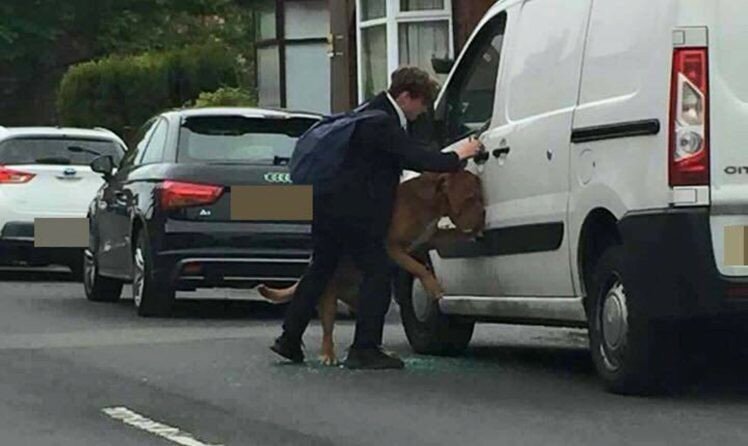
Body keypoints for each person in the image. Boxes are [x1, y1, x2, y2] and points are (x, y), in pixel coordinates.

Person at [271, 66, 483, 369]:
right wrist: (460, 154)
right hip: (357, 210)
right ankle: (364, 349)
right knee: (379, 270)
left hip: (326, 203)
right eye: (422, 104)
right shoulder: (382, 122)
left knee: (321, 268)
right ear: (407, 96)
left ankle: (289, 339)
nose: (422, 112)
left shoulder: (366, 112)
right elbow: (418, 158)